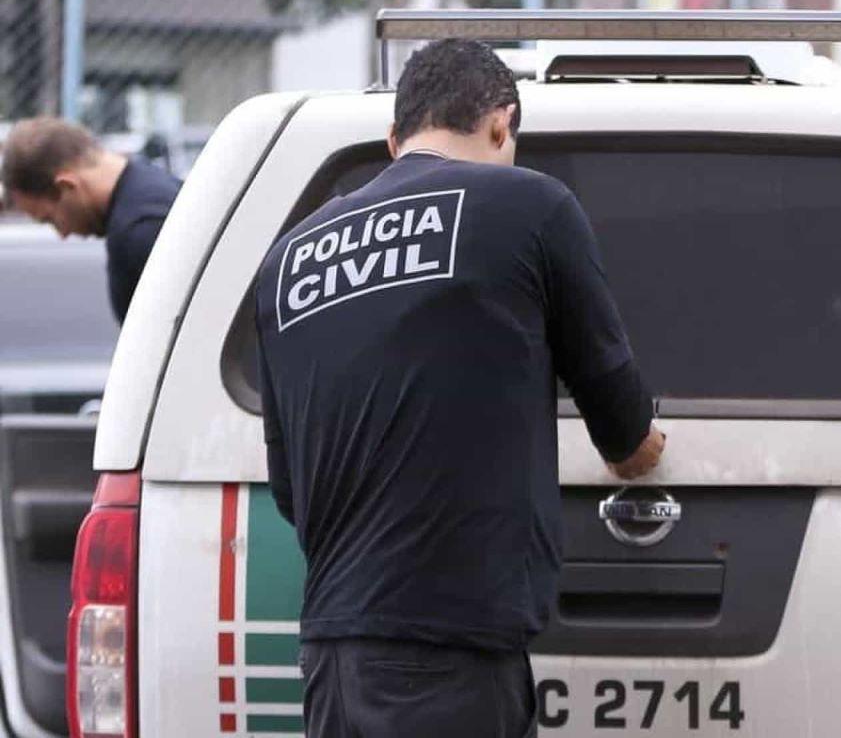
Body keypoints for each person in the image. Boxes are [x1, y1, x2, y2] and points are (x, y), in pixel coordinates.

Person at [254, 39, 666, 737]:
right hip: (451, 653)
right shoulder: (529, 206)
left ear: (395, 140)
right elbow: (621, 424)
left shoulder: (287, 259)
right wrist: (644, 447)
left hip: (331, 658)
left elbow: (292, 489)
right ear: (502, 124)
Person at [1, 117, 181, 323]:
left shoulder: (139, 231)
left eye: (50, 219)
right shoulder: (155, 187)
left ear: (66, 186)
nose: (63, 234)